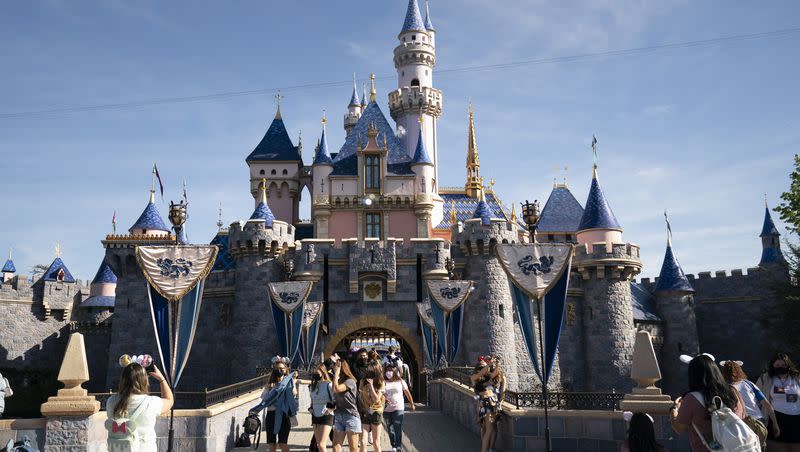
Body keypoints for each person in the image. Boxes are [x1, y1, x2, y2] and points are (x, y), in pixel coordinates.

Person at [671, 354, 746, 451]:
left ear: (693, 375)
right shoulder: (732, 392)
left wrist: (674, 409)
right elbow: (743, 416)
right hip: (736, 448)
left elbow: (679, 428)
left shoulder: (692, 398)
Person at [105, 363, 174, 452]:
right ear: (144, 381)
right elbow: (169, 400)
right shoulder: (151, 403)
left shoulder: (111, 401)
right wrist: (161, 379)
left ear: (122, 380)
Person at [721, 360, 779, 450]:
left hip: (739, 424)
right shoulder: (749, 384)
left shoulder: (722, 388)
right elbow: (767, 405)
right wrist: (775, 424)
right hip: (757, 422)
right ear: (739, 370)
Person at [249, 357, 298, 452]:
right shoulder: (270, 384)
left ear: (286, 370)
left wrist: (287, 382)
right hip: (271, 415)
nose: (279, 371)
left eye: (281, 369)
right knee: (272, 445)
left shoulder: (289, 382)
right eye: (277, 369)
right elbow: (265, 399)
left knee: (283, 444)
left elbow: (293, 394)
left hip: (283, 415)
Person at [759, 353, 800, 451]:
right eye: (777, 365)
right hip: (776, 419)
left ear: (788, 366)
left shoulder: (797, 378)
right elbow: (755, 395)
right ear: (773, 366)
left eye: (783, 365)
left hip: (797, 420)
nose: (780, 367)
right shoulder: (766, 378)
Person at [471, 356, 501, 452]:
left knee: (487, 430)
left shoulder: (486, 377)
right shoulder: (474, 377)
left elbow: (495, 373)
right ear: (477, 368)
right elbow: (481, 372)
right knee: (488, 430)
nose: (484, 368)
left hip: (491, 403)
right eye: (481, 366)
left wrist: (496, 363)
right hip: (485, 404)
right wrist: (488, 364)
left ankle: (487, 449)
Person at [383, 362, 415, 452]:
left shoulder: (401, 381)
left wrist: (412, 404)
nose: (388, 372)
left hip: (398, 408)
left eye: (390, 370)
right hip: (386, 409)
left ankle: (398, 446)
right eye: (387, 370)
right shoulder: (383, 382)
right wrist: (384, 398)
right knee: (390, 428)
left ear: (394, 371)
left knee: (397, 426)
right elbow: (380, 393)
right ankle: (393, 445)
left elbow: (407, 393)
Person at [331, 358, 361, 452]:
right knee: (335, 446)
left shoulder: (350, 381)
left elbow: (337, 389)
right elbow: (333, 390)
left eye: (336, 366)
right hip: (339, 415)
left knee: (353, 448)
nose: (334, 367)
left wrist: (336, 373)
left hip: (351, 416)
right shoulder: (337, 381)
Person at [359, 362, 385, 452]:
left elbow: (377, 400)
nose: (369, 372)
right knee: (362, 441)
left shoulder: (381, 382)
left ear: (376, 371)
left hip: (376, 413)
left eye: (371, 370)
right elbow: (360, 397)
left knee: (376, 442)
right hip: (365, 413)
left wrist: (371, 385)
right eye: (368, 369)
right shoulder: (362, 381)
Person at [309, 363, 335, 452]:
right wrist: (311, 408)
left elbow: (335, 400)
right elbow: (312, 400)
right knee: (318, 445)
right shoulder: (312, 386)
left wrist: (331, 409)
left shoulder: (329, 385)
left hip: (326, 416)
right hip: (315, 416)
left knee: (321, 444)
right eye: (314, 373)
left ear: (323, 373)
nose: (315, 375)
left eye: (317, 373)